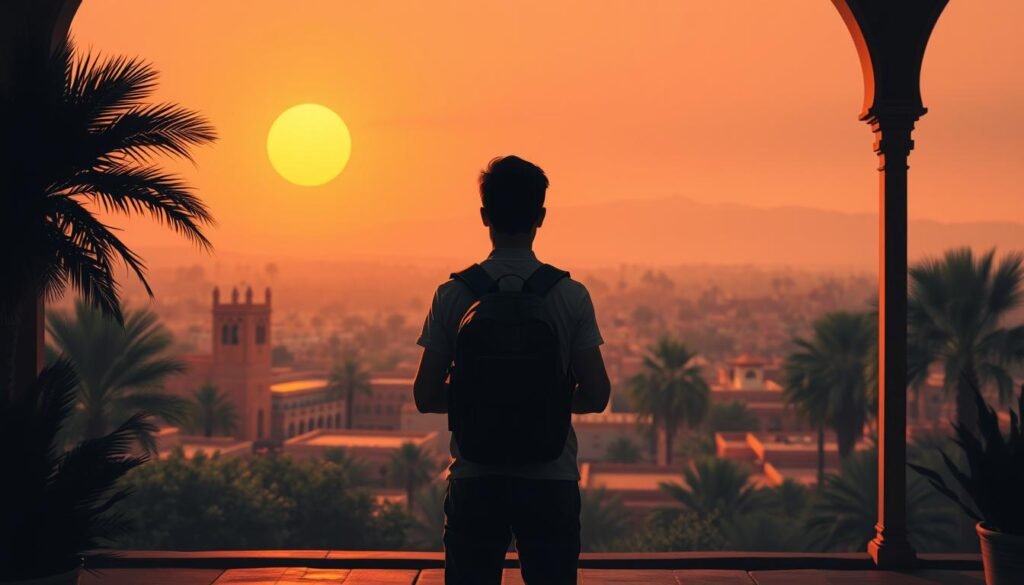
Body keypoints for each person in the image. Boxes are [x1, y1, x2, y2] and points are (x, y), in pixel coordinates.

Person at [414, 155, 611, 585]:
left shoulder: (453, 295)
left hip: (475, 477)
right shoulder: (570, 296)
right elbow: (597, 396)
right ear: (541, 216)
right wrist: (545, 401)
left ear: (484, 215)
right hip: (550, 478)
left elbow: (425, 396)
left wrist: (479, 399)